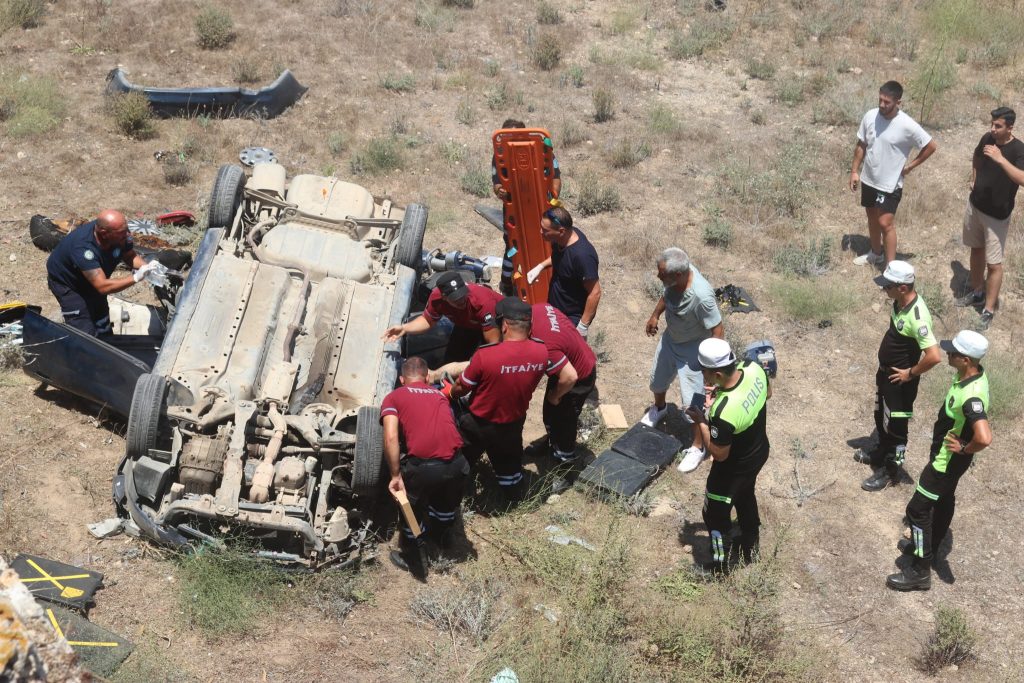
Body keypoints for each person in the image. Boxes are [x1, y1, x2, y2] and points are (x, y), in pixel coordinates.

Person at [886, 330, 992, 591]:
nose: (947, 353)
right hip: (951, 462)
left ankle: (921, 570)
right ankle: (930, 546)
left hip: (945, 462)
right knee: (944, 500)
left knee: (917, 510)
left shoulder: (972, 395)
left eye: (953, 351)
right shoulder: (972, 374)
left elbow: (985, 437)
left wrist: (966, 448)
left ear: (966, 360)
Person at [450, 297, 550, 501]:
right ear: (529, 326)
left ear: (504, 325)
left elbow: (461, 387)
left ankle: (458, 490)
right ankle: (513, 496)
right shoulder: (542, 352)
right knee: (510, 462)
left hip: (478, 423)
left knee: (461, 459)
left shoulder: (486, 355)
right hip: (512, 422)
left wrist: (450, 392)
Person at [685, 338, 771, 574]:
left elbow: (719, 454)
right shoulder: (753, 368)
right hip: (758, 452)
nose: (703, 376)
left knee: (713, 514)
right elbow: (768, 394)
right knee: (744, 494)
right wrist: (722, 391)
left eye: (704, 371)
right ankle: (749, 542)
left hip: (732, 469)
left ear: (718, 374)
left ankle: (720, 565)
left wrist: (702, 420)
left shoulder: (723, 412)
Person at [858, 261, 941, 492]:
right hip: (886, 376)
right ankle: (880, 452)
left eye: (888, 286)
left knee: (897, 429)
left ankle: (890, 471)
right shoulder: (899, 302)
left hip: (900, 383)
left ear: (902, 287)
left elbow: (934, 356)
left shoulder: (918, 316)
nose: (884, 290)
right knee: (881, 417)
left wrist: (910, 373)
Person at [381, 357, 470, 575]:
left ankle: (414, 556)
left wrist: (395, 475)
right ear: (428, 377)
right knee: (446, 504)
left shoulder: (393, 397)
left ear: (402, 380)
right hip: (458, 463)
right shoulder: (440, 395)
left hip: (424, 469)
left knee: (410, 508)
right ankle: (442, 537)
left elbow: (391, 438)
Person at [641, 247, 724, 473]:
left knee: (693, 404)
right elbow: (667, 295)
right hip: (671, 340)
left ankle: (697, 448)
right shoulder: (674, 279)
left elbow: (718, 330)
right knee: (657, 381)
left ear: (678, 275)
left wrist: (710, 368)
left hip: (692, 351)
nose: (658, 277)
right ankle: (659, 409)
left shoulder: (702, 296)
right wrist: (655, 315)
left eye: (662, 275)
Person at [849, 81, 938, 266]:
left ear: (898, 102)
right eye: (880, 100)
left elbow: (930, 146)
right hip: (869, 178)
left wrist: (911, 166)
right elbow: (861, 145)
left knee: (885, 223)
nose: (882, 105)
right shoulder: (870, 116)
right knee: (872, 216)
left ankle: (891, 270)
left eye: (887, 102)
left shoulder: (907, 125)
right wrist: (854, 171)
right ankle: (876, 253)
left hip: (890, 184)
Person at [955, 107, 1024, 331]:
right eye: (992, 124)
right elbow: (976, 156)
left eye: (998, 126)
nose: (992, 129)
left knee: (994, 264)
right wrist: (974, 179)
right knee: (976, 249)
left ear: (1010, 127)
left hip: (997, 217)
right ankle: (977, 292)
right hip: (975, 206)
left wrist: (1000, 159)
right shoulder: (987, 138)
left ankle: (989, 309)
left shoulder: (1018, 150)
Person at [45, 209, 161, 336]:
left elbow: (129, 256)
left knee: (102, 320)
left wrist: (148, 268)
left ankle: (106, 344)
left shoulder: (119, 235)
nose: (128, 234)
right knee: (84, 332)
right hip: (70, 284)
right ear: (104, 233)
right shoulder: (83, 248)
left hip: (95, 279)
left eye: (127, 229)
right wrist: (136, 277)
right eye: (122, 232)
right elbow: (102, 286)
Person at [492, 119, 561, 295]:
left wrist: (552, 198)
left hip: (541, 207)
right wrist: (500, 191)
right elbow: (497, 183)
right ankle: (507, 283)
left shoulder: (543, 151)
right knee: (512, 246)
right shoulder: (500, 155)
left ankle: (549, 282)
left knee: (547, 245)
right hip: (515, 210)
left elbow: (555, 177)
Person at [529, 302, 598, 463]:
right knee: (551, 411)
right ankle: (552, 443)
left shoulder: (544, 344)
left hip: (579, 377)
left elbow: (570, 377)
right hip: (565, 365)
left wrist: (555, 395)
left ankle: (565, 465)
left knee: (565, 420)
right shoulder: (538, 308)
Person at [383, 271, 501, 363]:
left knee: (482, 361)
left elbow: (494, 343)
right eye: (456, 299)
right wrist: (404, 328)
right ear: (444, 297)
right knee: (452, 358)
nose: (461, 301)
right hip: (466, 325)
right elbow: (427, 320)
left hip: (496, 325)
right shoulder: (436, 298)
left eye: (462, 295)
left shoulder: (483, 301)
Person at [526, 207, 601, 337]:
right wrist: (540, 266)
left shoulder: (583, 256)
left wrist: (582, 326)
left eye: (545, 230)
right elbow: (560, 258)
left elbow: (595, 292)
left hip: (571, 316)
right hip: (554, 307)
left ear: (561, 231)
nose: (540, 232)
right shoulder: (559, 240)